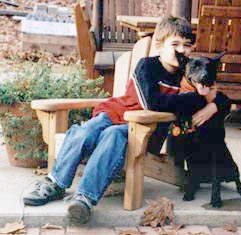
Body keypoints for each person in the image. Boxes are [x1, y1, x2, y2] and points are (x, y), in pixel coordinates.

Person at [22, 16, 223, 224]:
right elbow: (152, 102)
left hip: (142, 128)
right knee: (85, 131)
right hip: (114, 112)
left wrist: (213, 105)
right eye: (175, 44)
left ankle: (84, 199)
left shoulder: (192, 72)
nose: (182, 50)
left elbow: (222, 96)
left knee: (112, 134)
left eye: (187, 45)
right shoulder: (147, 66)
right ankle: (54, 183)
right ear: (159, 46)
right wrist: (198, 98)